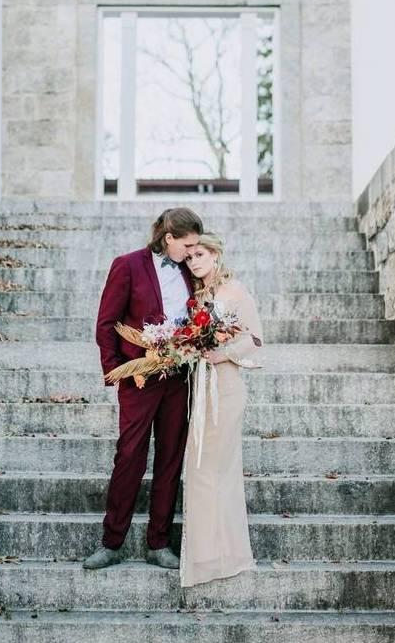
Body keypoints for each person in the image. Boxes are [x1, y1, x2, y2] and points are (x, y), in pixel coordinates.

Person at [83, 207, 203, 570]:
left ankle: (159, 543)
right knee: (130, 455)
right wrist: (116, 371)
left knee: (170, 460)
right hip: (139, 378)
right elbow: (106, 324)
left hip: (180, 379)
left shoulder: (191, 270)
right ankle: (111, 541)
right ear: (169, 239)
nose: (193, 250)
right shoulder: (128, 265)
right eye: (188, 244)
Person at [179, 232, 261, 587]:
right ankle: (205, 555)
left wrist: (222, 353)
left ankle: (226, 554)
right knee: (198, 469)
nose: (194, 262)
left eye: (199, 254)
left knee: (219, 468)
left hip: (226, 387)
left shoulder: (235, 292)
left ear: (215, 255)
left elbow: (255, 339)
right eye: (189, 258)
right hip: (199, 388)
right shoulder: (196, 298)